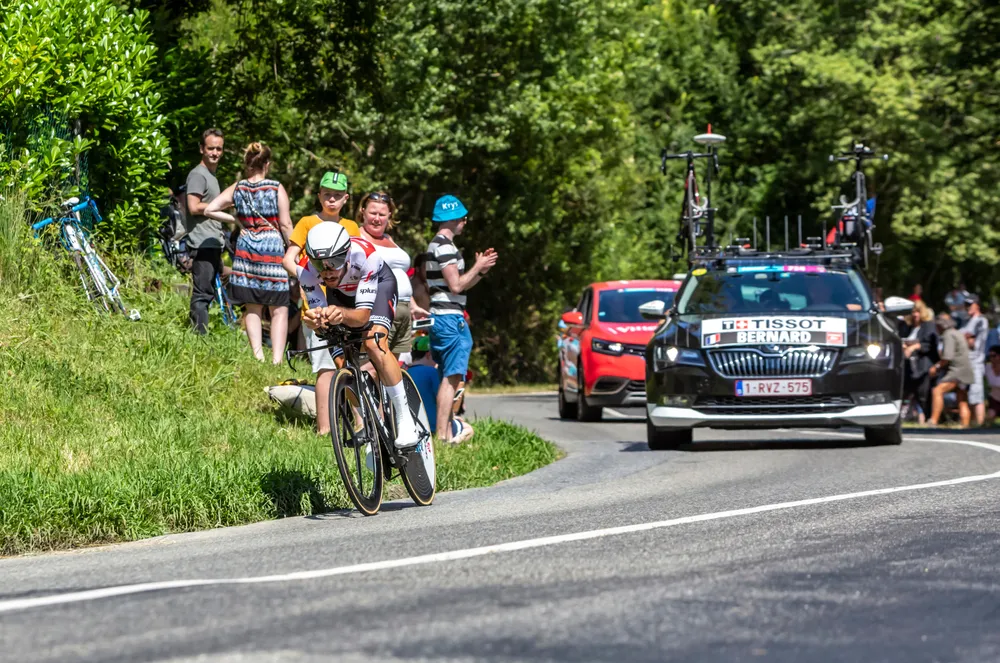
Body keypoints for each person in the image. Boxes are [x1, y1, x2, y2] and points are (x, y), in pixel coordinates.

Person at [299, 222, 420, 448]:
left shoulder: (365, 255)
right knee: (343, 365)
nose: (326, 270)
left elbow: (363, 317)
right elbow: (320, 322)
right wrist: (315, 322)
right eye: (319, 264)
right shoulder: (307, 271)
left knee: (374, 341)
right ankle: (371, 423)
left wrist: (339, 315)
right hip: (342, 296)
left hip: (379, 286)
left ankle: (404, 419)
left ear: (345, 254)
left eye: (334, 262)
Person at [280, 171, 358, 435]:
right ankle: (324, 429)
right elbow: (289, 258)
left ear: (346, 198)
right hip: (317, 307)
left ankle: (360, 421)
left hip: (346, 305)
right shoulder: (307, 222)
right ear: (319, 196)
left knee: (350, 362)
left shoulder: (351, 227)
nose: (332, 199)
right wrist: (307, 279)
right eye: (327, 194)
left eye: (337, 195)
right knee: (326, 366)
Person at [204, 143, 293, 363]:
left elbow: (209, 209)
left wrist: (236, 219)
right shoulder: (275, 188)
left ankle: (258, 355)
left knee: (252, 304)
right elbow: (285, 223)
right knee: (279, 306)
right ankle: (277, 359)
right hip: (271, 248)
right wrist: (293, 248)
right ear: (267, 164)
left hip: (246, 247)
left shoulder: (238, 187)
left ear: (247, 163)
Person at [425, 195, 498, 442]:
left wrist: (481, 271)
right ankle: (443, 436)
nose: (465, 222)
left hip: (443, 317)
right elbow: (456, 285)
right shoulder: (444, 246)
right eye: (463, 218)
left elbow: (460, 286)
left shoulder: (440, 246)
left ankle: (443, 433)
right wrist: (477, 266)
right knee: (451, 378)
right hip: (449, 320)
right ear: (453, 219)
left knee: (449, 375)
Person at [356, 191, 428, 364]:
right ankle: (350, 390)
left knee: (394, 368)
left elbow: (398, 275)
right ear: (363, 211)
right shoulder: (357, 236)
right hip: (380, 308)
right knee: (374, 365)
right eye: (373, 213)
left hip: (403, 309)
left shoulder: (389, 238)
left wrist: (413, 306)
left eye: (382, 214)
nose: (377, 218)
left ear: (389, 216)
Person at [185, 128, 225, 334]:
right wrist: (219, 206)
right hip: (202, 243)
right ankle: (199, 337)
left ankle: (208, 330)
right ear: (202, 149)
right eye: (211, 148)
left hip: (213, 242)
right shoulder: (198, 175)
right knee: (202, 295)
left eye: (219, 149)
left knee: (211, 291)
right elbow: (193, 206)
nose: (215, 153)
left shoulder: (211, 176)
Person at [929, 312, 975, 427]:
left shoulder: (948, 334)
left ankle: (933, 421)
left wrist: (936, 367)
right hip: (967, 371)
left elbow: (947, 357)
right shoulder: (957, 333)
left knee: (937, 391)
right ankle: (965, 426)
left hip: (957, 371)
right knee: (962, 400)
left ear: (940, 326)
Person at [901, 300, 938, 423]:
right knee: (907, 392)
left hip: (923, 365)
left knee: (923, 394)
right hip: (909, 366)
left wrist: (914, 347)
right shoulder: (908, 327)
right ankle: (911, 417)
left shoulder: (928, 326)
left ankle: (928, 417)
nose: (915, 314)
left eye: (918, 311)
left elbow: (928, 344)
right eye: (913, 312)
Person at [961, 294, 990, 426]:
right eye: (966, 305)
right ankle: (972, 424)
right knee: (967, 394)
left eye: (970, 304)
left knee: (976, 394)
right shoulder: (966, 321)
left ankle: (980, 423)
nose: (967, 307)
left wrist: (966, 339)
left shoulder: (981, 321)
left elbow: (975, 343)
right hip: (965, 361)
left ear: (977, 305)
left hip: (976, 361)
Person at [406, 335, 440, 430]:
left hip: (412, 428)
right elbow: (441, 399)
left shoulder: (405, 373)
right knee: (468, 429)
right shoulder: (433, 372)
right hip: (432, 426)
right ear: (428, 354)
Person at [985, 346, 1000, 422]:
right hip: (994, 400)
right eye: (990, 356)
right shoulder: (987, 368)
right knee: (988, 420)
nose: (991, 358)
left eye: (994, 356)